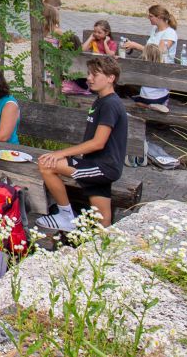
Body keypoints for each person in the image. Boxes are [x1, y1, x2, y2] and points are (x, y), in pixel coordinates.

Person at [37, 57, 129, 232]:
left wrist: (61, 153)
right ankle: (105, 244)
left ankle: (66, 216)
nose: (89, 78)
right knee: (103, 223)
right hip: (97, 164)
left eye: (95, 74)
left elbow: (98, 143)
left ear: (111, 78)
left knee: (46, 164)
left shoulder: (110, 104)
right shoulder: (101, 100)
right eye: (89, 74)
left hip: (102, 167)